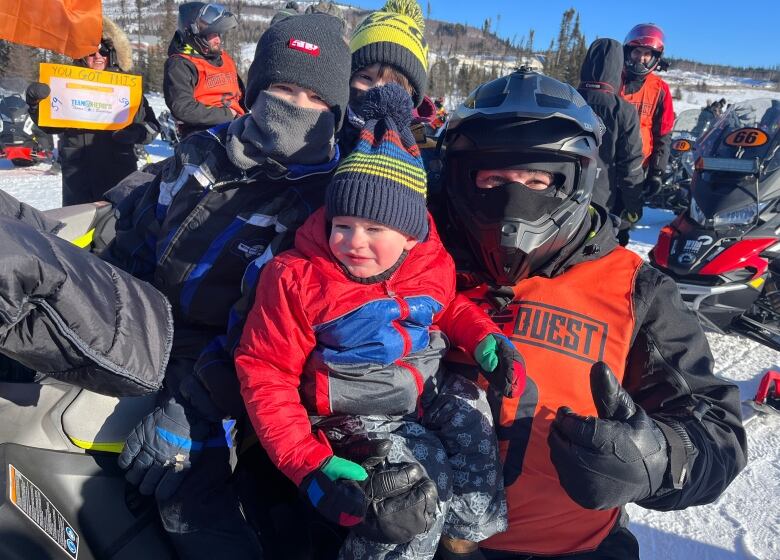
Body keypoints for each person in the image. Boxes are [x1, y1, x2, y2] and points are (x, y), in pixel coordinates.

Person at [434, 68, 746, 559]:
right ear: (459, 178)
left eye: (537, 178)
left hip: (569, 548)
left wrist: (660, 460)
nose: (515, 198)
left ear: (577, 179)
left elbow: (718, 428)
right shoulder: (410, 261)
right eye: (492, 177)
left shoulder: (634, 289)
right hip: (414, 539)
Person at [235, 84, 519, 560]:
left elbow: (447, 305)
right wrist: (308, 463)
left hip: (423, 387)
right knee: (411, 491)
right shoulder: (299, 277)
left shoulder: (429, 261)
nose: (353, 242)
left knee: (473, 416)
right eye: (341, 225)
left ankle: (463, 537)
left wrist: (485, 339)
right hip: (351, 405)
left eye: (374, 229)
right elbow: (265, 373)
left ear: (410, 236)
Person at [105, 13, 351, 559]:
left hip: (229, 370)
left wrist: (194, 407)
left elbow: (267, 331)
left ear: (334, 111)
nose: (294, 108)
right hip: (144, 321)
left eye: (314, 98)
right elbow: (140, 232)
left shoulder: (327, 204)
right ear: (257, 88)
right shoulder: (203, 153)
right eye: (283, 88)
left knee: (189, 505)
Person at [25, 16, 160, 205]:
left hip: (119, 176)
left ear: (112, 54)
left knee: (118, 229)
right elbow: (48, 125)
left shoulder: (127, 89)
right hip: (79, 178)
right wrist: (34, 104)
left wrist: (136, 132)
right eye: (90, 52)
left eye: (104, 51)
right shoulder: (66, 85)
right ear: (81, 55)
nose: (98, 57)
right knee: (79, 230)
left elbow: (152, 126)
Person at [340, 0, 433, 156]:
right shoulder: (326, 134)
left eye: (393, 84)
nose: (377, 90)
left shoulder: (424, 151)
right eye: (365, 77)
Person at [578, 38, 645, 246]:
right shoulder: (623, 110)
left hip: (563, 195)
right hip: (602, 202)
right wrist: (634, 206)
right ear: (618, 67)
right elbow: (631, 166)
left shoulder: (566, 99)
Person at [164, 2, 245, 139]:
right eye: (212, 35)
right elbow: (182, 108)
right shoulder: (181, 64)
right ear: (195, 35)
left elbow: (241, 93)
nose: (218, 40)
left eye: (218, 34)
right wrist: (227, 115)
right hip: (204, 135)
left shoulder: (223, 58)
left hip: (237, 127)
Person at [620, 23, 675, 203]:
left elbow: (663, 135)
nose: (641, 58)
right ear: (628, 52)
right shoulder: (611, 81)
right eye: (637, 52)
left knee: (625, 222)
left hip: (637, 169)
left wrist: (656, 173)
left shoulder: (660, 90)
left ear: (655, 57)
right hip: (602, 164)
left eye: (647, 54)